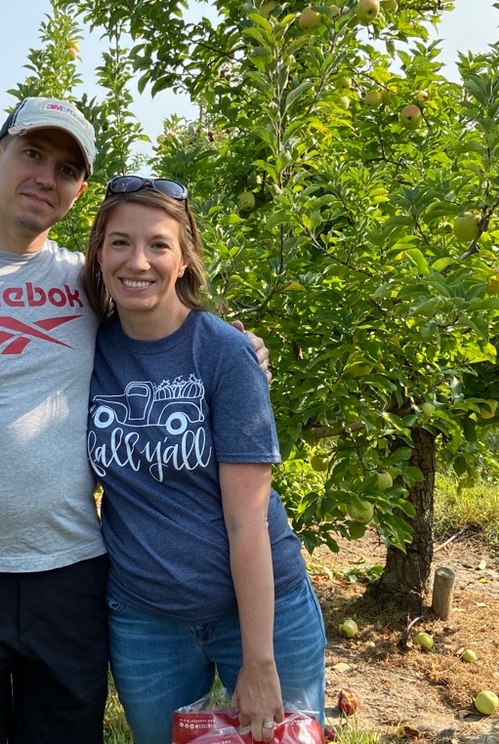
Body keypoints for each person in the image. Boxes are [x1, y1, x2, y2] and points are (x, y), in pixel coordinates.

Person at [0, 100, 269, 744]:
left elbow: (165, 322)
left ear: (79, 190)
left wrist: (238, 350)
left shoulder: (91, 280)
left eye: (68, 168)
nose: (47, 176)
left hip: (72, 571)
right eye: (32, 154)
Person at [81, 175, 327, 744]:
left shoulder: (224, 353)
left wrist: (259, 660)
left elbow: (247, 523)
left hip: (260, 616)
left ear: (185, 259)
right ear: (98, 254)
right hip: (146, 620)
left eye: (158, 244)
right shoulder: (84, 348)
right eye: (119, 242)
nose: (137, 261)